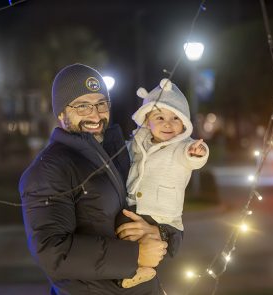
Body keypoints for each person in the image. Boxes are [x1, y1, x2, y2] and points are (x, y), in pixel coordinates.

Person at [19, 64, 182, 294]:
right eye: (82, 106)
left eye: (101, 103)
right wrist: (134, 255)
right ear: (61, 113)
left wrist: (162, 234)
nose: (95, 115)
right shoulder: (49, 169)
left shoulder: (121, 153)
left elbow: (166, 205)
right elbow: (51, 252)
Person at [116, 78, 209, 288]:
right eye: (159, 117)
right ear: (146, 120)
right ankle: (138, 269)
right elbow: (122, 156)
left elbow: (192, 158)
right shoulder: (137, 143)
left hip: (163, 216)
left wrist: (197, 153)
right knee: (124, 234)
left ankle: (141, 270)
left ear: (184, 123)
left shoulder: (181, 147)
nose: (168, 124)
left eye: (175, 118)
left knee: (142, 241)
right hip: (134, 207)